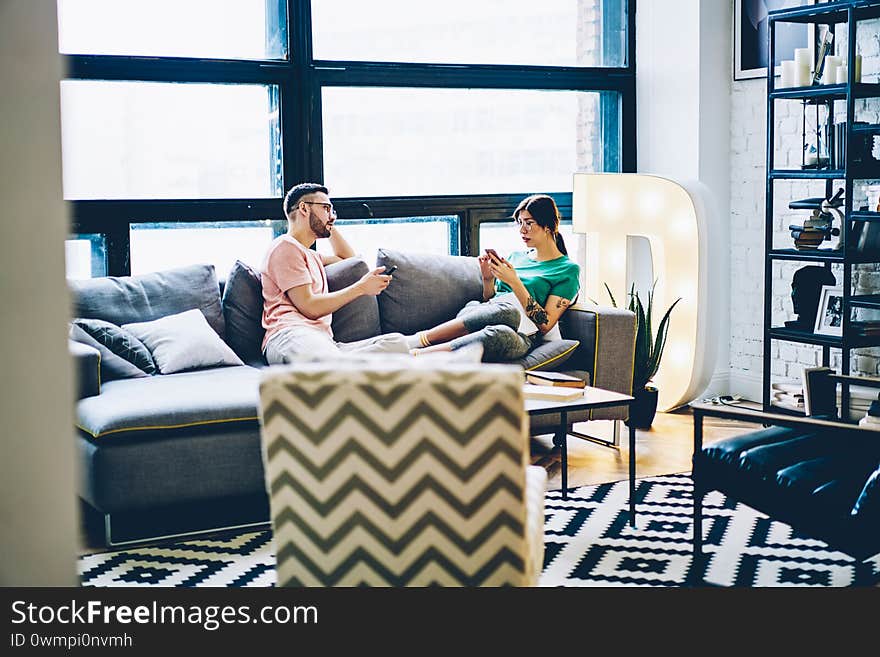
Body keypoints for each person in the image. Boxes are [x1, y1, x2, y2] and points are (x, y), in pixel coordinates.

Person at [408, 194, 580, 362]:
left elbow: (546, 324)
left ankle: (416, 354)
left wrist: (515, 282)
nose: (522, 230)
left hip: (522, 334)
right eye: (520, 223)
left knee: (501, 331)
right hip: (483, 315)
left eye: (529, 223)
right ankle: (417, 341)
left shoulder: (567, 270)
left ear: (549, 226)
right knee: (485, 308)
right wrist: (488, 279)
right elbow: (492, 302)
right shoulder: (516, 257)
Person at [260, 182, 409, 364]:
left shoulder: (312, 255)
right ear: (304, 208)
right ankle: (342, 367)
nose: (332, 216)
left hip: (324, 342)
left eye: (332, 210)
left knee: (397, 343)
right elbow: (310, 307)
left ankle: (343, 366)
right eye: (326, 208)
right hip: (291, 334)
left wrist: (326, 221)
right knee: (332, 360)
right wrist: (361, 288)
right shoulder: (285, 247)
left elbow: (349, 260)